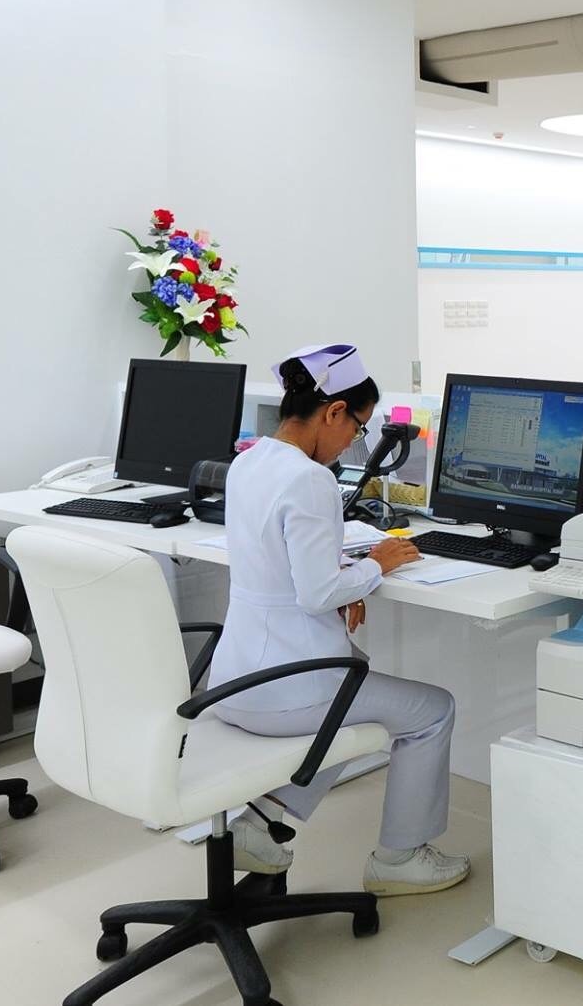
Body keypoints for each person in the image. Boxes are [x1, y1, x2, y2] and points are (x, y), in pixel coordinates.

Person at [205, 343, 471, 896]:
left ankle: (264, 823)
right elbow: (316, 592)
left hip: (234, 680)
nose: (356, 441)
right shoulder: (310, 479)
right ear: (332, 412)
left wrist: (345, 572)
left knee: (357, 672)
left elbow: (287, 564)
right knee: (432, 710)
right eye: (358, 427)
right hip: (285, 692)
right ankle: (399, 860)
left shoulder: (249, 460)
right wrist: (374, 564)